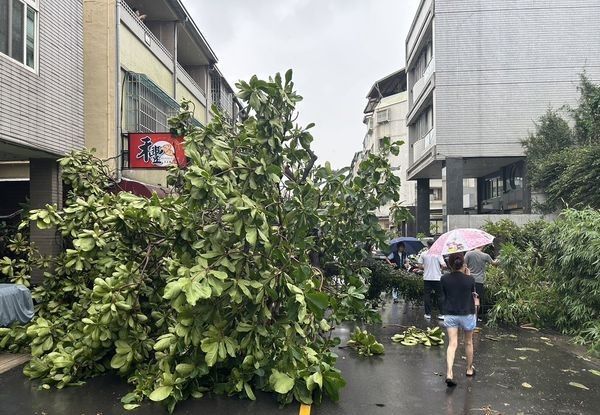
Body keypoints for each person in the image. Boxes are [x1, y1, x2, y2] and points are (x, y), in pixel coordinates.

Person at [441, 252, 477, 387]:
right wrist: (467, 275)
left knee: (452, 344)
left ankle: (449, 373)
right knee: (468, 342)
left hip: (450, 314)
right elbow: (472, 292)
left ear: (450, 265)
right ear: (463, 264)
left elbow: (443, 295)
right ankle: (469, 369)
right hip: (467, 313)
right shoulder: (470, 279)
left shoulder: (444, 279)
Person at [464, 246, 499, 317]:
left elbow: (464, 265)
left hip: (469, 279)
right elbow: (494, 263)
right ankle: (475, 318)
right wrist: (500, 258)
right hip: (479, 281)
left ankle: (467, 316)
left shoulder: (468, 254)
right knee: (476, 299)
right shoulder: (486, 256)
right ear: (482, 246)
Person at [418, 240, 447, 320]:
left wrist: (425, 267)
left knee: (427, 295)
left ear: (427, 245)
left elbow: (419, 265)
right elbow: (444, 265)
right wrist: (440, 269)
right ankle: (442, 314)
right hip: (437, 278)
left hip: (427, 278)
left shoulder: (423, 254)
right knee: (440, 296)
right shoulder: (438, 254)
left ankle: (428, 314)